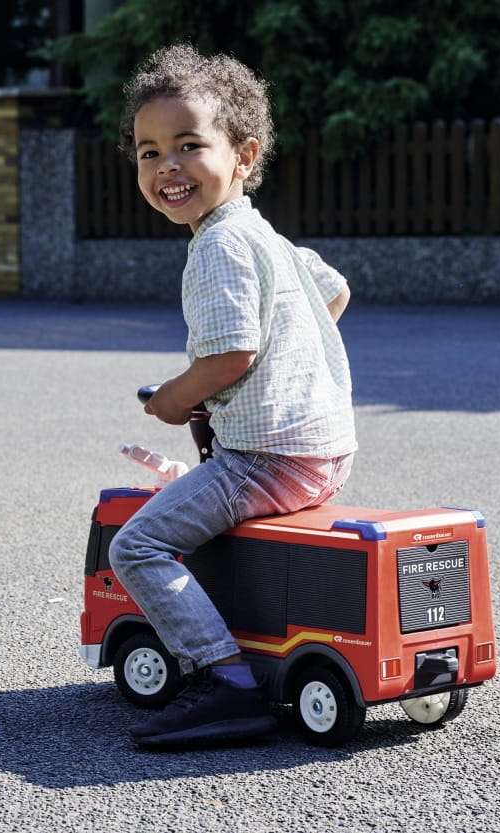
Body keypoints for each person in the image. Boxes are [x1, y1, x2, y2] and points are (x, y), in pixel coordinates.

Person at [108, 43, 357, 748]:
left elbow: (229, 354)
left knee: (140, 544)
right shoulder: (266, 235)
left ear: (244, 156)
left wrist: (172, 400)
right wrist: (285, 368)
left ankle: (227, 682)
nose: (168, 167)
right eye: (149, 152)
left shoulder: (216, 245)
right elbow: (332, 292)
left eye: (189, 145)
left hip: (267, 459)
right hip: (325, 451)